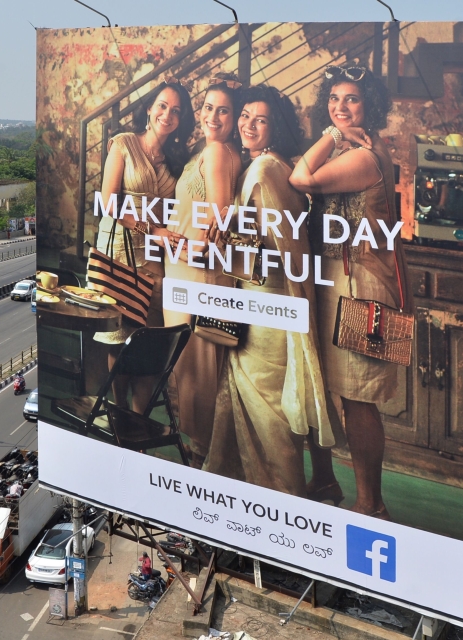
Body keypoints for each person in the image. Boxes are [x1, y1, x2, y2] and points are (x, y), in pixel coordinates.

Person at [289, 65, 411, 519]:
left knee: (360, 399)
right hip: (340, 279)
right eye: (334, 99)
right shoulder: (356, 147)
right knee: (331, 389)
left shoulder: (365, 156)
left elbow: (301, 178)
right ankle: (326, 480)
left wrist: (326, 134)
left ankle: (371, 503)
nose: (341, 107)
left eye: (352, 99)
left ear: (370, 106)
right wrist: (337, 136)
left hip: (364, 286)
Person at [204, 85, 336, 497]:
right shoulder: (273, 164)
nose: (248, 125)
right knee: (260, 406)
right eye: (244, 115)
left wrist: (226, 234)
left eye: (260, 119)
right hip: (263, 301)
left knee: (269, 414)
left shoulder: (264, 172)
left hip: (266, 303)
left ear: (275, 126)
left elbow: (277, 251)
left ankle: (283, 502)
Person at [92, 75, 193, 413]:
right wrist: (153, 230)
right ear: (149, 109)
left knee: (147, 338)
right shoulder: (123, 143)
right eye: (162, 106)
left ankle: (138, 418)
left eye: (176, 111)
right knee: (119, 336)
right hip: (119, 247)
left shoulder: (177, 158)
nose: (168, 114)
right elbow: (108, 203)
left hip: (153, 257)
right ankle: (118, 409)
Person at [161, 76, 243, 470]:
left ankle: (203, 461)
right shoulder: (210, 150)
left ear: (235, 116)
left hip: (197, 275)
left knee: (197, 371)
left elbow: (220, 217)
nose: (212, 116)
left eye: (222, 110)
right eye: (208, 107)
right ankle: (202, 456)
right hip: (187, 273)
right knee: (190, 369)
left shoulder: (216, 153)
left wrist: (187, 248)